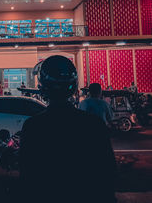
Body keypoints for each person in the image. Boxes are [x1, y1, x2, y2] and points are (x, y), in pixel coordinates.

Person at [20, 55, 117, 203]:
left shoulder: (33, 127)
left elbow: (28, 179)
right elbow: (108, 173)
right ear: (74, 87)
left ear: (42, 88)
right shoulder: (94, 124)